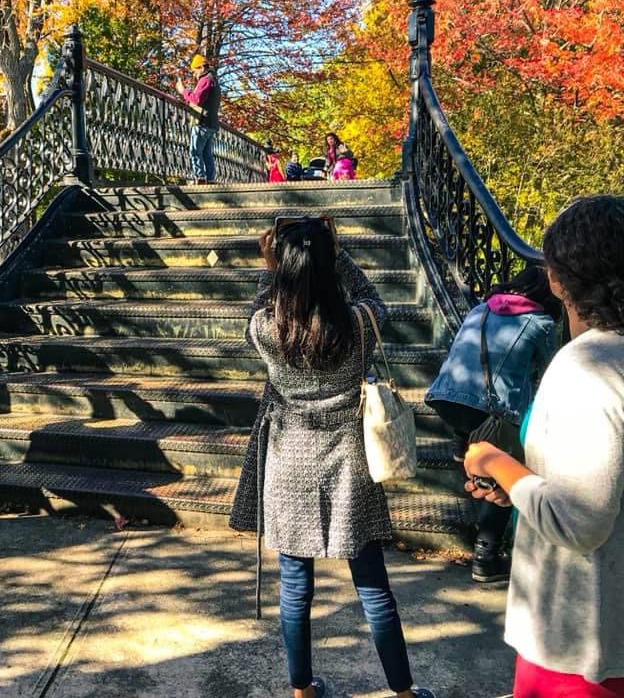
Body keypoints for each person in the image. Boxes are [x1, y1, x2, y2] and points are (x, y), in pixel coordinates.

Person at [230, 218, 433, 698]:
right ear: (328, 263)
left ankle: (302, 690)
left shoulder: (265, 327)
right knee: (372, 585)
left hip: (288, 463)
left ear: (282, 269)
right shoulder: (359, 324)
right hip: (349, 465)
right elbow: (371, 297)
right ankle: (403, 692)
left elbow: (262, 306)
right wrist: (334, 253)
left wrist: (272, 266)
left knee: (295, 589)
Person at [464, 195, 624, 696]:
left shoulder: (587, 367)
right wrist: (522, 487)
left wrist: (495, 462)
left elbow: (578, 521)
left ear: (556, 279)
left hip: (579, 647)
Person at [425, 267, 560, 583]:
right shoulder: (541, 322)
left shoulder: (480, 309)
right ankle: (486, 556)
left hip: (446, 396)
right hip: (488, 407)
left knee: (480, 455)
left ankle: (464, 447)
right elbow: (553, 371)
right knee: (503, 472)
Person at [176, 53, 221, 185]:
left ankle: (200, 178)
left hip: (203, 122)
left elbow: (197, 99)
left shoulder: (206, 80)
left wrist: (183, 91)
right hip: (211, 123)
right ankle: (211, 179)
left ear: (201, 67)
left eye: (195, 70)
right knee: (207, 153)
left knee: (195, 151)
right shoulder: (213, 80)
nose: (194, 74)